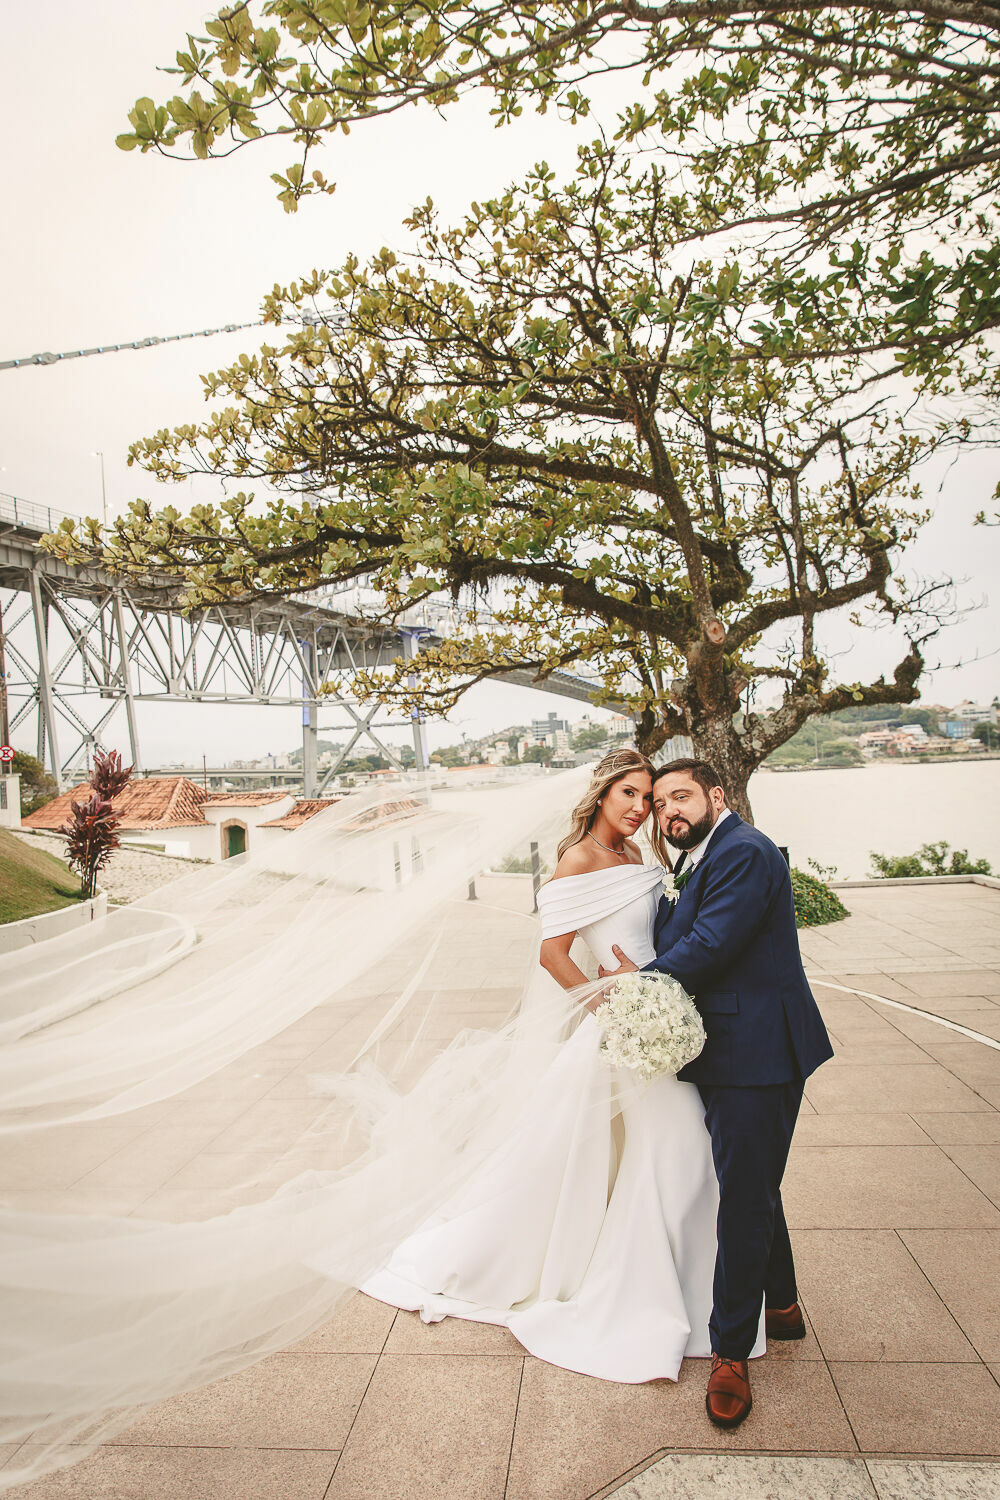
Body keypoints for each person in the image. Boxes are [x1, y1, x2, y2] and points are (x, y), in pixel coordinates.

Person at [360, 747, 755, 1382]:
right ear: (601, 795)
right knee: (673, 1147)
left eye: (649, 798)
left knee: (676, 1153)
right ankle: (654, 1289)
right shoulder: (578, 859)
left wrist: (651, 998)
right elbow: (553, 953)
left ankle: (692, 1291)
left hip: (653, 1019)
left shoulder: (639, 857)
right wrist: (609, 1010)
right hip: (622, 1029)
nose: (640, 808)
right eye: (629, 794)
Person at [599, 758, 834, 1428]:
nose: (667, 810)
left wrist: (636, 984)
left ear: (715, 795)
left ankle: (730, 1354)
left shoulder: (745, 852)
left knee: (743, 1195)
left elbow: (707, 944)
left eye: (679, 796)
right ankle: (782, 1307)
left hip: (757, 1052)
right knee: (752, 1178)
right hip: (731, 1047)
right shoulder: (702, 857)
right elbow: (688, 934)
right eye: (657, 802)